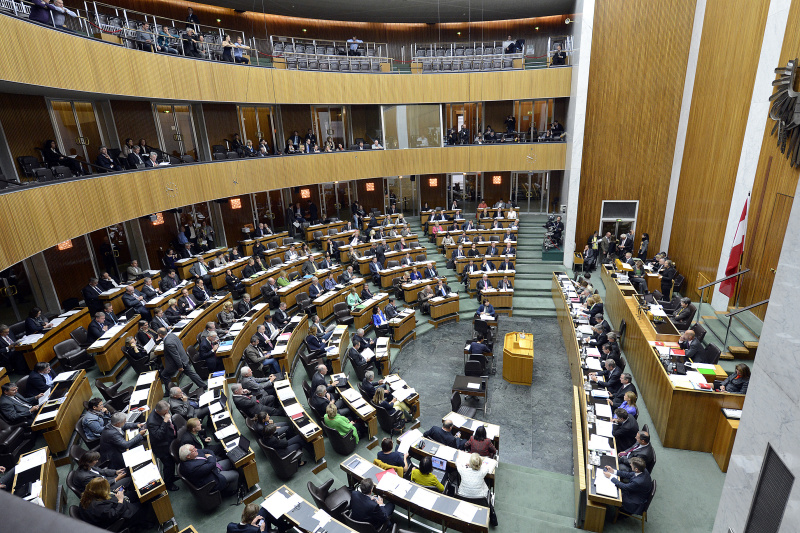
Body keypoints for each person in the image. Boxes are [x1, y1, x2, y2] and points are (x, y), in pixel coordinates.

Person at [76, 477, 152, 530]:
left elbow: (104, 499)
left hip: (110, 506)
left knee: (135, 494)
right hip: (115, 520)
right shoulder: (97, 506)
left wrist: (114, 492)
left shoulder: (87, 495)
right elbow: (114, 514)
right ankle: (147, 522)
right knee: (143, 507)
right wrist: (120, 500)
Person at [157, 327, 206, 391]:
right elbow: (181, 343)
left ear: (160, 335)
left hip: (178, 362)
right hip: (183, 358)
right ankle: (203, 385)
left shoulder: (168, 343)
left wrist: (180, 366)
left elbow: (175, 356)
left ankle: (170, 391)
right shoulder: (172, 335)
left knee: (164, 375)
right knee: (191, 373)